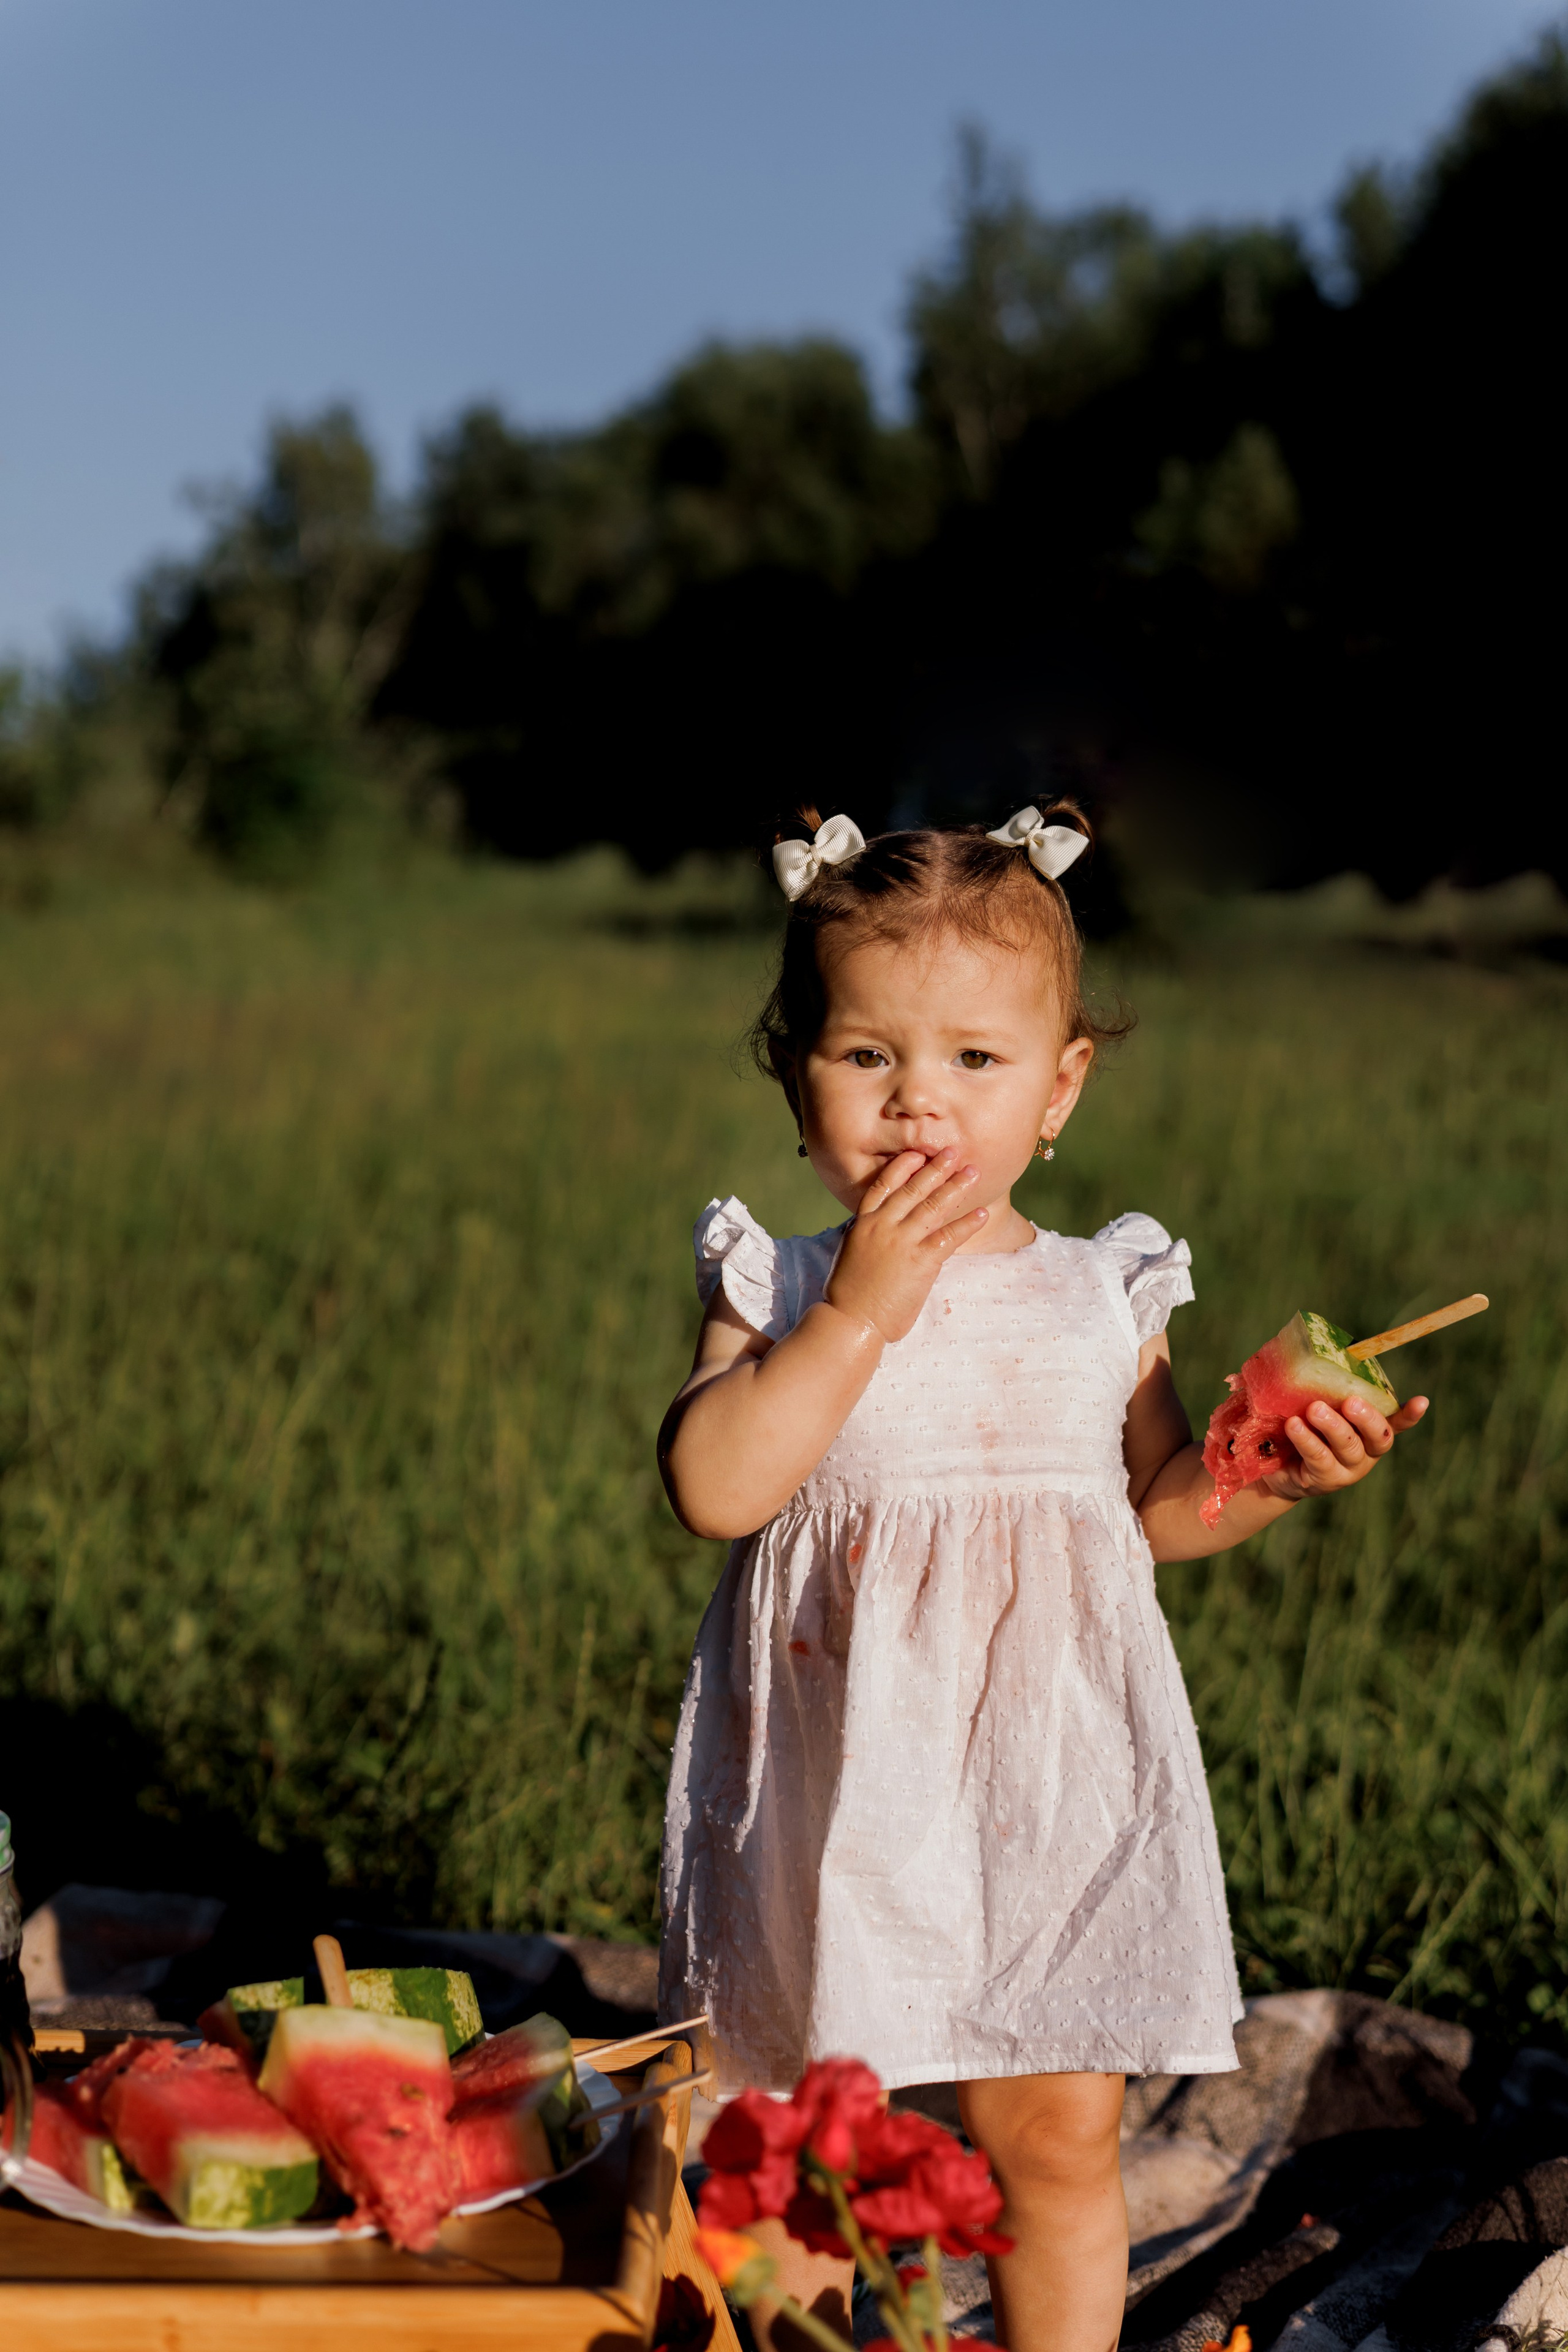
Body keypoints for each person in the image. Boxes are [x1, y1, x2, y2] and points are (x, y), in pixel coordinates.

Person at [657, 806, 1427, 2352]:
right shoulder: (782, 1283)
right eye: (867, 1058)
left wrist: (1264, 1477)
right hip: (835, 1781)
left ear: (1060, 1087)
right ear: (792, 1073)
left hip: (1043, 1784)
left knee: (1054, 2140)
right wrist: (857, 1317)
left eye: (974, 1063)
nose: (918, 1107)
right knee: (808, 2151)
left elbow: (1151, 1506)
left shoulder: (1098, 1293)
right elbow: (716, 1485)